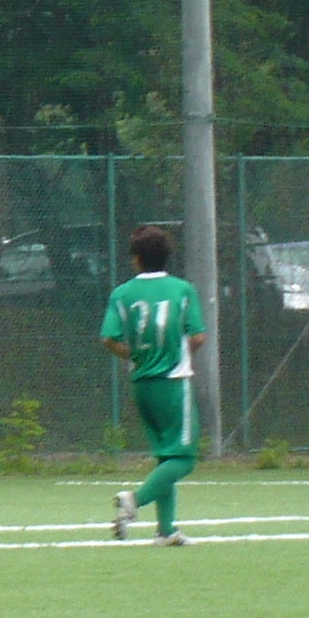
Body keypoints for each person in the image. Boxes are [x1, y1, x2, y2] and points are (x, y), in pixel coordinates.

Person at [105, 224, 206, 544]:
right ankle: (134, 501)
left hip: (142, 384)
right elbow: (199, 336)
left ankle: (166, 530)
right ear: (168, 256)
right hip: (174, 383)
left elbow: (108, 337)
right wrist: (179, 354)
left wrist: (133, 355)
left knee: (166, 456)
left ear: (135, 259)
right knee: (185, 457)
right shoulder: (182, 289)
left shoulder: (122, 293)